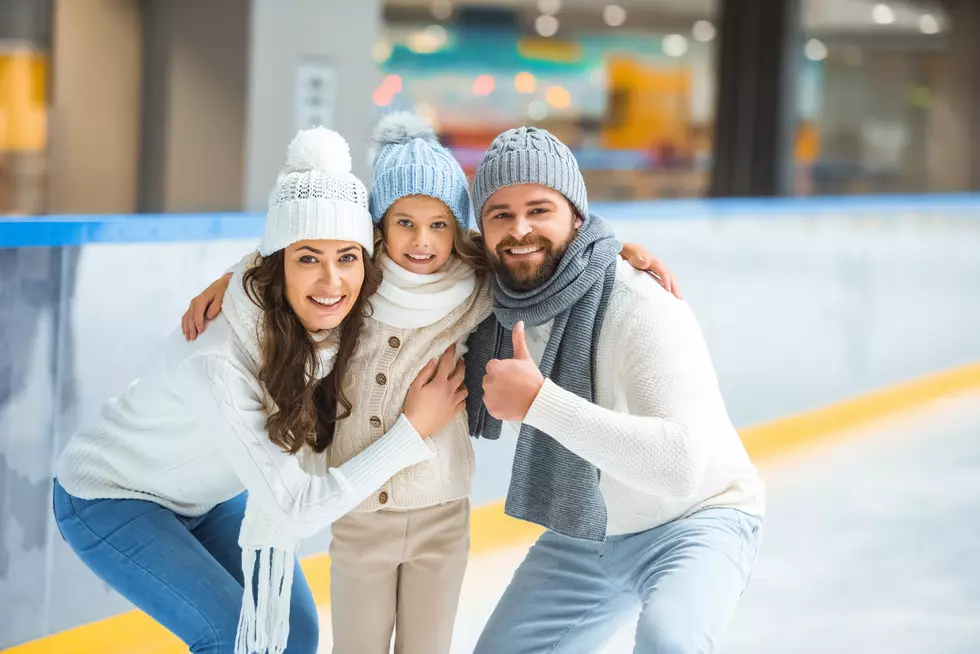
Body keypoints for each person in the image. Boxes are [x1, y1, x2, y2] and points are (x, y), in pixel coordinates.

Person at [179, 114, 682, 654]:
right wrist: (234, 276)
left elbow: (552, 258)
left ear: (458, 229)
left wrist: (619, 248)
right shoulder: (352, 287)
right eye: (405, 223)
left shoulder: (475, 287)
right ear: (378, 228)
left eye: (439, 224)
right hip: (359, 514)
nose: (422, 241)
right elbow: (295, 253)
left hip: (441, 512)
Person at [52, 127, 466, 654]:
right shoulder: (216, 362)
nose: (331, 281)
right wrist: (411, 434)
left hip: (207, 495)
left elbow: (431, 265)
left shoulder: (338, 312)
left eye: (346, 257)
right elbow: (297, 510)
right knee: (229, 637)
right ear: (278, 264)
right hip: (111, 495)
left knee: (295, 634)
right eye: (308, 258)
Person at [464, 126, 765, 654]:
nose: (520, 230)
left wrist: (539, 403)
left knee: (670, 642)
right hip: (586, 529)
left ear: (577, 218)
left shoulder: (640, 302)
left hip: (695, 519)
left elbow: (679, 467)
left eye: (540, 210)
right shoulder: (488, 299)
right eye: (500, 214)